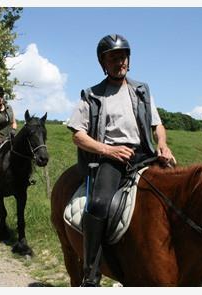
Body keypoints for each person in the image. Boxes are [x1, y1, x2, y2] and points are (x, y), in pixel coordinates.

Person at [67, 34, 176, 286]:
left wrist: (162, 144)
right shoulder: (92, 94)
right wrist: (108, 150)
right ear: (103, 63)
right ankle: (91, 273)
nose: (120, 62)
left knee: (182, 190)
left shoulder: (141, 90)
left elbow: (157, 124)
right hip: (113, 158)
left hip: (145, 154)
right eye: (114, 58)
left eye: (123, 57)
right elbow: (78, 136)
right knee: (98, 204)